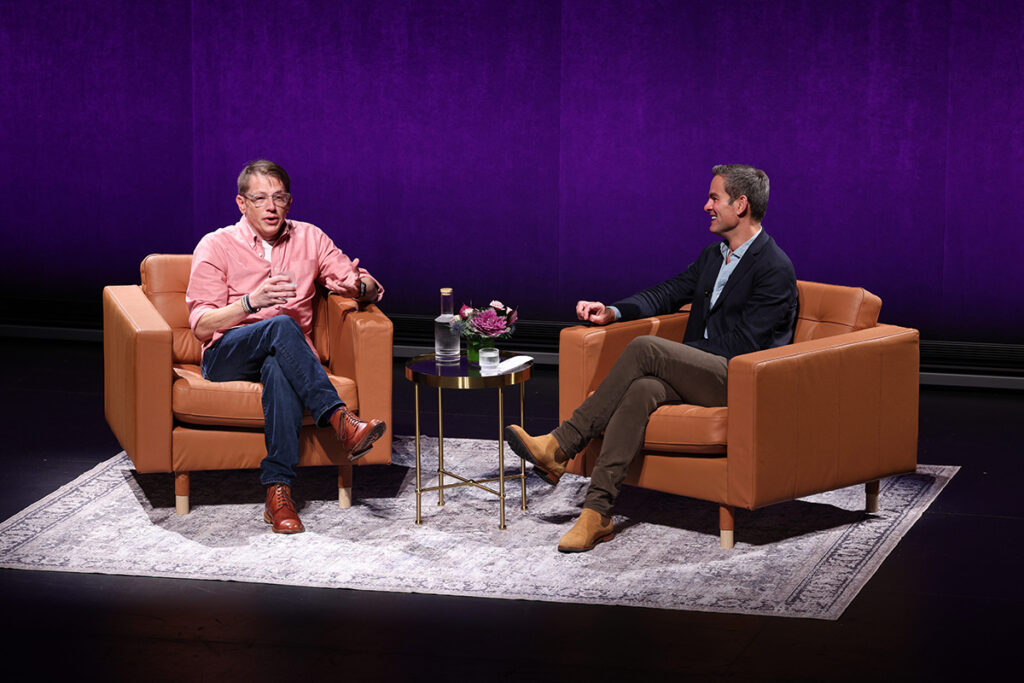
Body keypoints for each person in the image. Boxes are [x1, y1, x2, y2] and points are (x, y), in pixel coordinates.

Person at [505, 164, 798, 552]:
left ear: (740, 204)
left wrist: (673, 356)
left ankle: (561, 444)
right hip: (701, 370)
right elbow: (669, 291)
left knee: (647, 349)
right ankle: (597, 513)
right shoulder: (715, 256)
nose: (706, 205)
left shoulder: (774, 268)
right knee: (642, 388)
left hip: (739, 380)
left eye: (714, 198)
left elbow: (742, 347)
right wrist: (613, 311)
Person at [186, 160, 387, 534]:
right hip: (226, 353)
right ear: (241, 204)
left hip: (285, 354)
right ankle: (340, 420)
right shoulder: (216, 245)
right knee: (280, 324)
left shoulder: (310, 238)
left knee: (279, 368)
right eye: (260, 198)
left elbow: (355, 280)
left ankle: (279, 492)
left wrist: (362, 287)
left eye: (278, 198)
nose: (271, 207)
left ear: (290, 202)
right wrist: (250, 302)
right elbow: (201, 325)